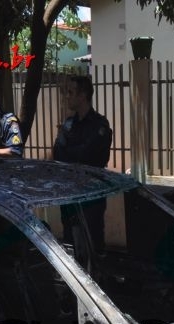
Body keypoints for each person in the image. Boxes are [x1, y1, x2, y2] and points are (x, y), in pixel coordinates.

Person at [52, 75, 112, 253]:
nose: (67, 96)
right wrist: (75, 153)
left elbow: (91, 156)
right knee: (70, 244)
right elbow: (58, 153)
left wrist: (72, 152)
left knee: (92, 245)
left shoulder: (99, 124)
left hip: (91, 194)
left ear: (83, 95)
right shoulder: (69, 124)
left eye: (70, 92)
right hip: (69, 193)